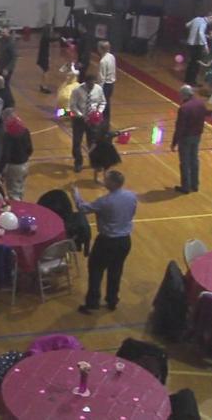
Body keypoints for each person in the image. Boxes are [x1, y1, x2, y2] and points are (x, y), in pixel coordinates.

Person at [74, 170, 137, 314]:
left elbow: (82, 208)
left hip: (107, 241)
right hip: (124, 240)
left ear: (113, 183)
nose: (104, 181)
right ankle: (112, 300)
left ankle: (92, 302)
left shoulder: (105, 202)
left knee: (96, 270)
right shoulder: (131, 196)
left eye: (107, 179)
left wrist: (76, 194)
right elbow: (132, 212)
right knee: (116, 270)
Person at [171, 85, 207, 194]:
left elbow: (180, 127)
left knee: (184, 162)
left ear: (184, 95)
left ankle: (185, 187)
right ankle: (195, 185)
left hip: (186, 137)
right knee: (194, 160)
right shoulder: (201, 103)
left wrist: (174, 142)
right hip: (197, 135)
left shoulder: (184, 108)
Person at [69, 75, 107, 172]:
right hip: (79, 120)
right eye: (90, 84)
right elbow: (72, 105)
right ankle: (78, 162)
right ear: (85, 82)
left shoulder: (98, 89)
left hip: (93, 120)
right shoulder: (77, 90)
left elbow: (103, 102)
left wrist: (99, 112)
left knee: (93, 142)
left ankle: (95, 163)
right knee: (77, 142)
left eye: (93, 84)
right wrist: (81, 115)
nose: (91, 86)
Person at [0, 109, 33, 201]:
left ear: (7, 119)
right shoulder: (25, 130)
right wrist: (25, 158)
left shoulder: (8, 135)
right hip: (25, 164)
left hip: (14, 167)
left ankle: (16, 211)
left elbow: (5, 155)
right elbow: (30, 149)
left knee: (13, 193)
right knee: (20, 190)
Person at [184, 12, 212, 86]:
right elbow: (200, 33)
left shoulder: (196, 18)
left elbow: (187, 25)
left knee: (191, 62)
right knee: (196, 64)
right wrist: (205, 44)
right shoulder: (204, 23)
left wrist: (194, 33)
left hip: (190, 43)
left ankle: (187, 79)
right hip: (197, 45)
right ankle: (192, 81)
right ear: (210, 17)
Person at [96, 40, 117, 123]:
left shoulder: (103, 61)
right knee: (107, 102)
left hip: (105, 85)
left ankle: (103, 120)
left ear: (101, 49)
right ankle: (106, 120)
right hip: (111, 84)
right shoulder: (112, 56)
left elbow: (102, 77)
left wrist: (98, 88)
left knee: (103, 103)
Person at [37, 25, 52, 94]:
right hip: (44, 58)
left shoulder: (43, 37)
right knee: (46, 72)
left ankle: (42, 85)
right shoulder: (46, 38)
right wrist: (60, 38)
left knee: (44, 72)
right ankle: (45, 87)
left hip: (42, 57)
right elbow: (51, 39)